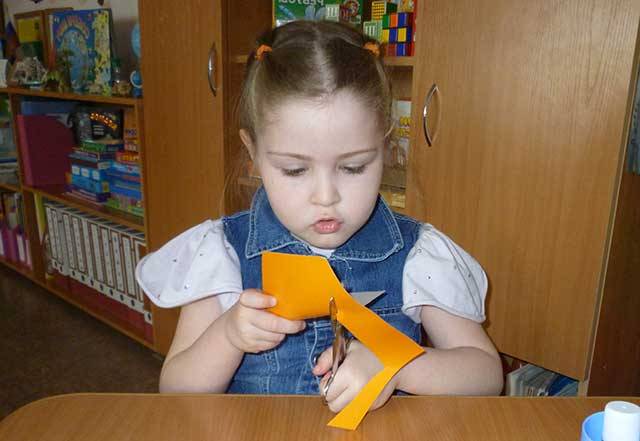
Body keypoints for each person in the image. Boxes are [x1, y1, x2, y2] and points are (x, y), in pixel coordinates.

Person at [136, 20, 503, 414]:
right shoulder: (222, 254)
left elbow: (485, 374)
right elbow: (175, 391)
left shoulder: (418, 255)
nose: (326, 197)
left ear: (386, 147)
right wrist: (226, 336)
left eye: (354, 167)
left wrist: (398, 364)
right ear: (253, 153)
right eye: (295, 170)